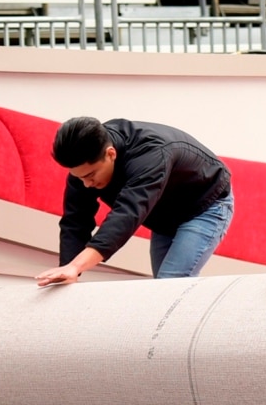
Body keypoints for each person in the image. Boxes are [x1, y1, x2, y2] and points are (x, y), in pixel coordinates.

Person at [35, 117, 233, 286]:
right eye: (79, 178)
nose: (86, 184)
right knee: (163, 288)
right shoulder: (84, 169)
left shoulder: (150, 154)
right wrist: (69, 273)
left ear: (111, 154)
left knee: (170, 284)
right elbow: (75, 222)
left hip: (205, 207)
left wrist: (77, 266)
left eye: (90, 175)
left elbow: (127, 214)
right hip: (163, 216)